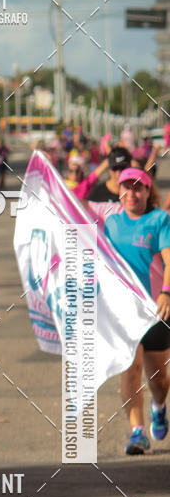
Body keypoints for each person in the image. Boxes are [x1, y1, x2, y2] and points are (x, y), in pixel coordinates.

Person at [91, 167, 170, 454]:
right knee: (130, 369)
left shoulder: (159, 219)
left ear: (148, 192)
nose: (132, 193)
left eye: (138, 187)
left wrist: (166, 293)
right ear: (119, 191)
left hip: (156, 308)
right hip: (123, 312)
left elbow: (168, 258)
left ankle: (159, 406)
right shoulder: (110, 224)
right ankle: (137, 432)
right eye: (127, 187)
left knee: (159, 379)